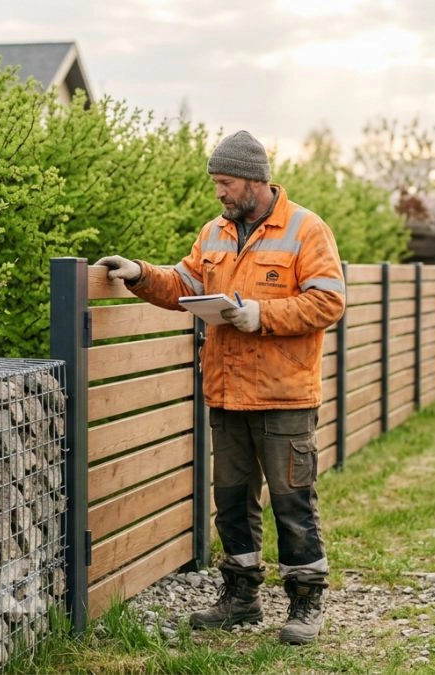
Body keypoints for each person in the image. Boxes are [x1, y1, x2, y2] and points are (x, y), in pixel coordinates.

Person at [94, 130, 346, 645]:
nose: (220, 194)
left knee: (292, 501)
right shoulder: (215, 232)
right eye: (216, 184)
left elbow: (329, 302)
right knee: (230, 501)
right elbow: (185, 284)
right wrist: (139, 273)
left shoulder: (306, 229)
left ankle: (305, 604)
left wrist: (259, 314)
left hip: (285, 397)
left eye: (226, 183)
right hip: (227, 393)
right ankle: (240, 598)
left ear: (256, 180)